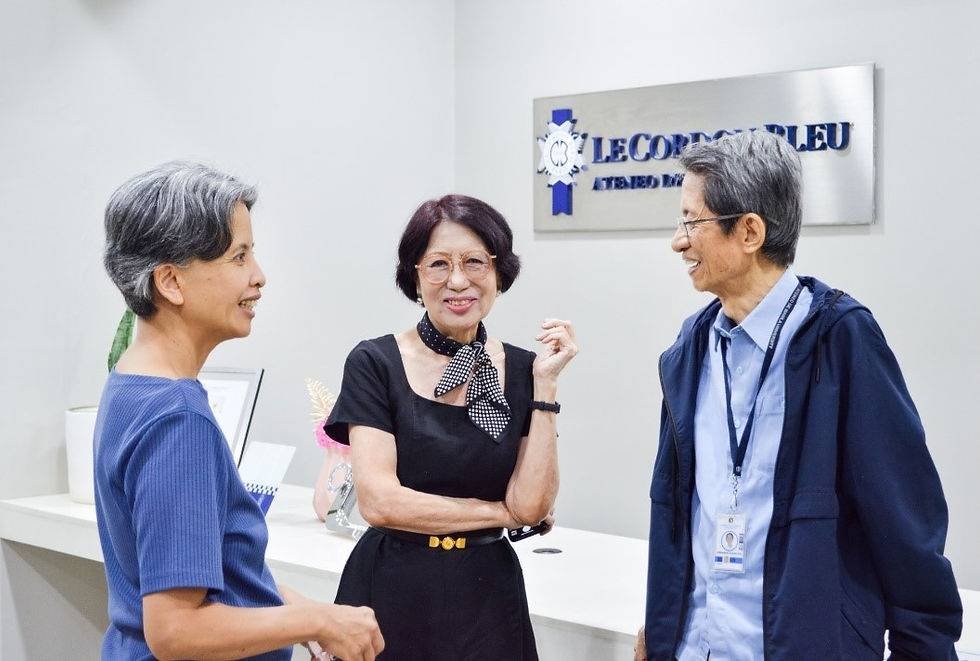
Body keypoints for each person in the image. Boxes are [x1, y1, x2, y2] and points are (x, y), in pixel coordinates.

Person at [636, 131, 962, 660]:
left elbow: (906, 522)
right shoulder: (690, 349)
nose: (678, 241)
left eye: (691, 221)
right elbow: (680, 516)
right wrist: (662, 624)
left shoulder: (841, 339)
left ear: (749, 231)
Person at [96, 161, 384, 661]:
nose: (259, 277)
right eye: (239, 257)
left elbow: (220, 579)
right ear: (171, 281)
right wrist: (318, 618)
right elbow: (176, 631)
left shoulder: (130, 384)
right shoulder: (175, 418)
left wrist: (292, 613)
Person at [324, 194, 578, 660]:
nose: (458, 280)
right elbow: (380, 502)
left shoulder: (525, 369)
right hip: (391, 588)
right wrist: (503, 514)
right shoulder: (374, 362)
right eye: (438, 264)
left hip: (488, 595)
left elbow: (536, 502)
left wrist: (546, 386)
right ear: (414, 277)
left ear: (499, 274)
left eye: (475, 262)